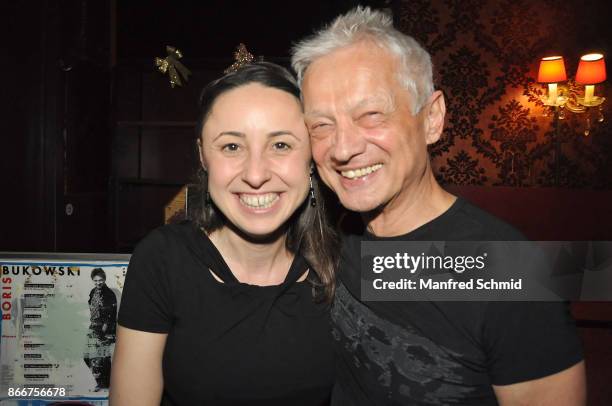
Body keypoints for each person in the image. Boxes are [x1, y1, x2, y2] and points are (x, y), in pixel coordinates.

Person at [292, 7, 586, 405]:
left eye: (372, 115)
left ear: (432, 118)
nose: (343, 148)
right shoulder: (332, 233)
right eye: (321, 125)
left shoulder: (507, 269)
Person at [109, 61, 337, 406]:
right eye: (232, 146)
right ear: (203, 155)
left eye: (281, 145)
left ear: (311, 158)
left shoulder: (347, 263)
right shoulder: (162, 260)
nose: (256, 174)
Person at [84, 267, 117, 392]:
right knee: (86, 356)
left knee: (103, 357)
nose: (98, 283)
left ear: (104, 280)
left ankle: (105, 384)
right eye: (96, 280)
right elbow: (90, 305)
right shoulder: (93, 291)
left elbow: (112, 314)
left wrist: (105, 330)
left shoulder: (109, 294)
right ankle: (103, 382)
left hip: (105, 328)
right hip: (94, 325)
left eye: (101, 280)